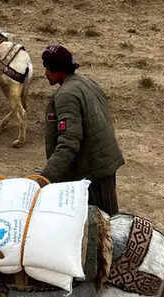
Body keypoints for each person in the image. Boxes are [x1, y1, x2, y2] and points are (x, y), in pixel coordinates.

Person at [38, 44, 124, 216]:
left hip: (91, 172)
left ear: (58, 70)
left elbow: (69, 143)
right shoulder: (86, 82)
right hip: (103, 164)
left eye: (47, 68)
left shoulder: (66, 95)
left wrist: (45, 177)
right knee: (108, 218)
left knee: (98, 226)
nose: (45, 73)